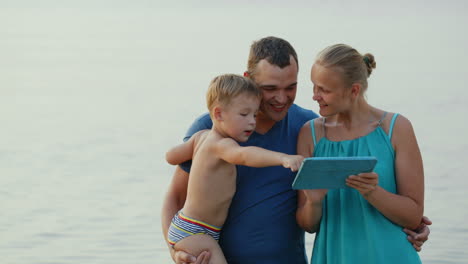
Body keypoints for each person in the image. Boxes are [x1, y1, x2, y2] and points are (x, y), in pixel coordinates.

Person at [161, 36, 431, 264]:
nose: (281, 98)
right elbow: (175, 197)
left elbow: (335, 194)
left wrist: (411, 223)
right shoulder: (213, 126)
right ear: (249, 80)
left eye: (291, 87)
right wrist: (177, 251)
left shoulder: (307, 126)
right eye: (270, 88)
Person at [295, 44, 425, 263]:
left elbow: (413, 216)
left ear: (354, 90)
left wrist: (372, 192)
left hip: (391, 256)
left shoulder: (396, 128)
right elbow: (308, 225)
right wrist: (314, 202)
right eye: (314, 86)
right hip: (334, 256)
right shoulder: (311, 134)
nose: (315, 96)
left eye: (324, 90)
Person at [165, 74, 304, 264]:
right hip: (196, 229)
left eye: (254, 115)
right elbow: (245, 156)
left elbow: (171, 156)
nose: (252, 122)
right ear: (219, 114)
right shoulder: (222, 145)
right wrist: (282, 158)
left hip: (189, 226)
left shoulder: (200, 137)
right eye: (244, 114)